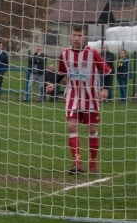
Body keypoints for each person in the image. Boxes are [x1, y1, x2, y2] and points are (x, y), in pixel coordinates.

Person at [46, 24, 112, 175]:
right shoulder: (64, 54)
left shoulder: (92, 53)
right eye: (74, 35)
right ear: (70, 36)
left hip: (90, 97)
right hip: (72, 95)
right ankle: (77, 163)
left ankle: (93, 165)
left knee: (92, 129)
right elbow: (62, 73)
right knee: (71, 127)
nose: (76, 38)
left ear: (85, 37)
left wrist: (105, 89)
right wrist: (52, 83)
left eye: (79, 35)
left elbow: (107, 71)